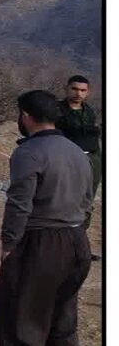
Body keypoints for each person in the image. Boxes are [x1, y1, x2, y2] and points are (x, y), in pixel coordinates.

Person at [0, 89, 93, 346]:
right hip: (77, 240)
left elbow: (20, 202)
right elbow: (88, 198)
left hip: (40, 242)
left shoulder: (30, 153)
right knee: (63, 324)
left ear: (25, 116)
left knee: (22, 321)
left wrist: (9, 246)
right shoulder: (77, 152)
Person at [55, 74, 102, 257]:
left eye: (82, 90)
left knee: (87, 203)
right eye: (74, 89)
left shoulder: (89, 111)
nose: (78, 93)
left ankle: (79, 245)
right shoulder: (57, 111)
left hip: (92, 160)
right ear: (66, 88)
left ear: (88, 92)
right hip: (67, 161)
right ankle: (61, 245)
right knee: (65, 201)